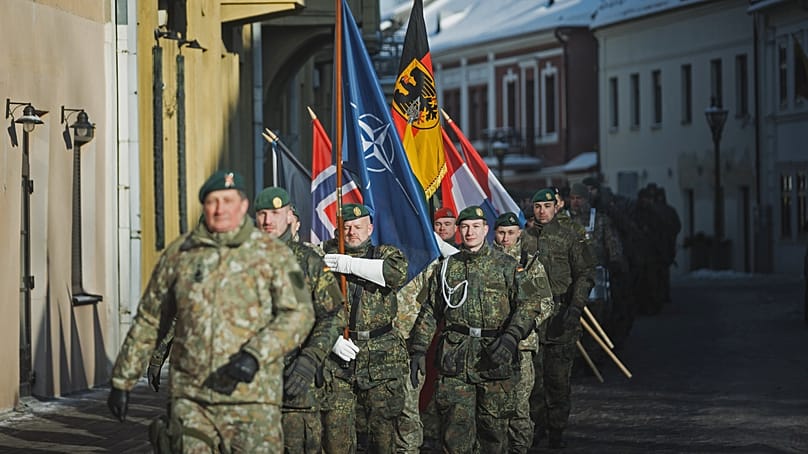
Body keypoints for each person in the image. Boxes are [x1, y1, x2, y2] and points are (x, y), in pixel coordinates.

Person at [107, 170, 314, 452]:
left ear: (242, 206)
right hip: (193, 399)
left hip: (252, 399)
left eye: (228, 201)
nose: (220, 209)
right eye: (213, 201)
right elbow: (150, 318)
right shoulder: (180, 254)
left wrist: (256, 354)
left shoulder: (272, 255)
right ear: (204, 206)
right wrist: (123, 379)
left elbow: (298, 314)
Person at [409, 206, 542, 453]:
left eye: (475, 227)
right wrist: (418, 348)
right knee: (455, 435)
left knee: (493, 433)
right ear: (459, 231)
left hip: (494, 359)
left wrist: (512, 338)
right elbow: (431, 310)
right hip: (455, 361)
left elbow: (530, 305)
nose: (470, 232)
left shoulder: (507, 266)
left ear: (485, 230)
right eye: (465, 227)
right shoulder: (447, 268)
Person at [320, 203, 409, 453]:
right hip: (337, 356)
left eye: (358, 227)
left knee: (382, 435)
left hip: (381, 357)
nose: (352, 232)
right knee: (336, 436)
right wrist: (331, 338)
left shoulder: (385, 254)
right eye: (346, 228)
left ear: (370, 228)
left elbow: (396, 274)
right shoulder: (325, 256)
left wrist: (348, 265)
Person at [524, 188, 595, 449]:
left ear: (557, 207)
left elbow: (585, 275)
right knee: (533, 382)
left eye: (547, 206)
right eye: (538, 206)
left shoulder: (569, 238)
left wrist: (575, 308)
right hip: (532, 321)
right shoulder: (525, 239)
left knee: (558, 381)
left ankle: (557, 430)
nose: (542, 211)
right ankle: (537, 427)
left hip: (560, 318)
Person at [492, 212, 555, 454]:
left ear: (519, 233)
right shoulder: (487, 260)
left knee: (519, 408)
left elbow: (544, 302)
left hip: (521, 347)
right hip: (490, 343)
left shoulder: (529, 264)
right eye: (501, 233)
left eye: (510, 233)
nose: (505, 238)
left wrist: (524, 325)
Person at [568, 183, 626, 352]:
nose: (575, 202)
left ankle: (595, 355)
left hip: (596, 277)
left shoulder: (600, 220)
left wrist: (616, 262)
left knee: (598, 317)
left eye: (579, 198)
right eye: (572, 199)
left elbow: (613, 243)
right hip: (571, 279)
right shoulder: (564, 221)